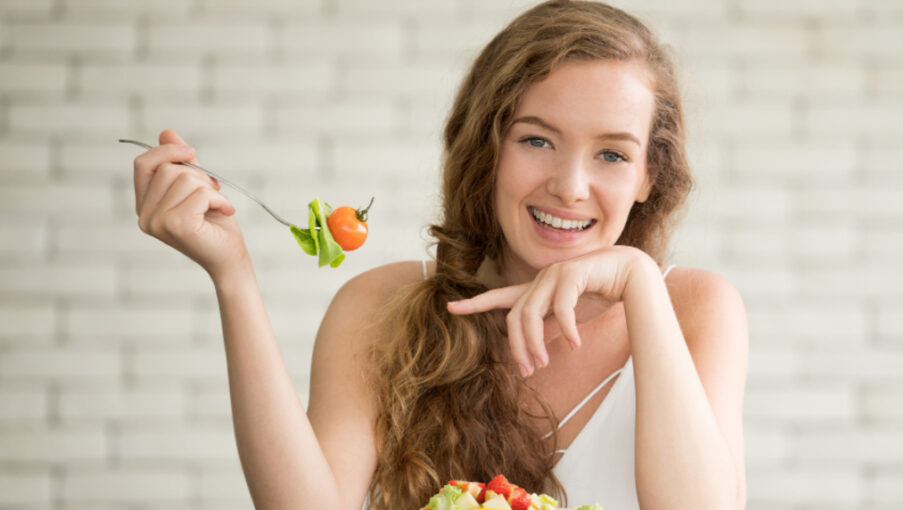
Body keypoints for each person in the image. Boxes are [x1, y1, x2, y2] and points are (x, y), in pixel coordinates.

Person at [130, 1, 748, 509]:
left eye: (612, 154)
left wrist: (639, 282)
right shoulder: (383, 305)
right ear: (487, 148)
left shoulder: (696, 309)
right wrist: (232, 274)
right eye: (536, 139)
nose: (570, 185)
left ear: (649, 175)